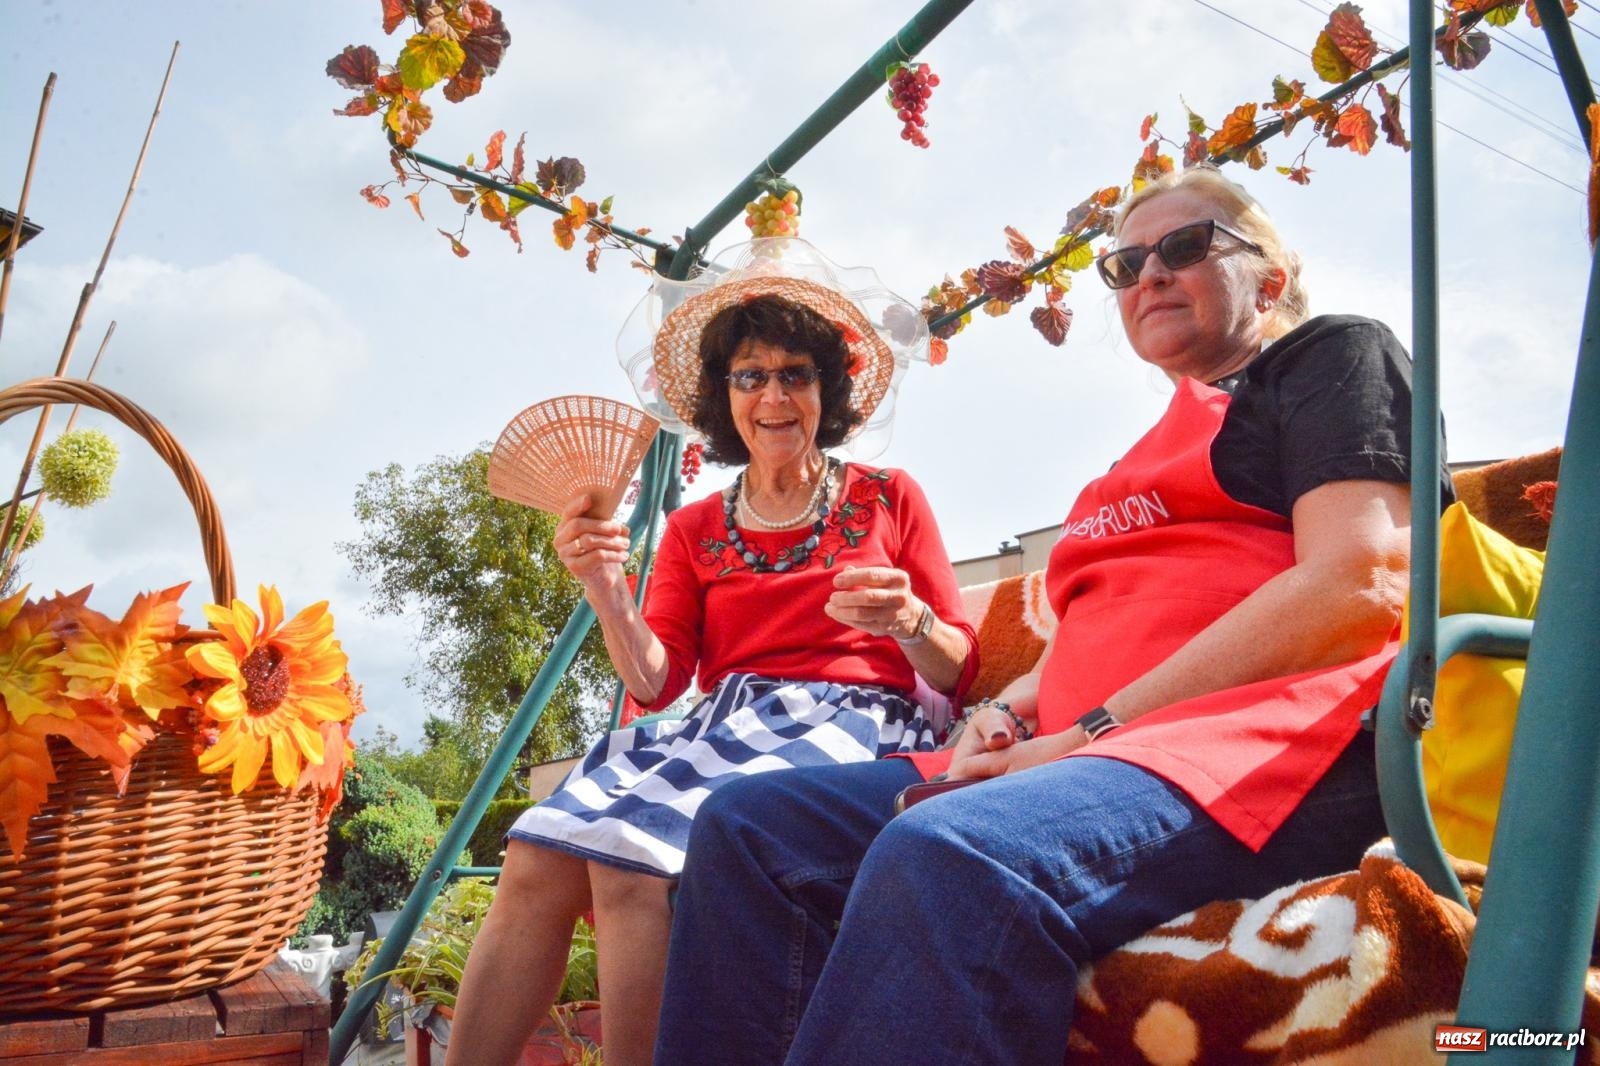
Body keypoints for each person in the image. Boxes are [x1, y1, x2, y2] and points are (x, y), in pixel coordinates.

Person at [653, 166, 1456, 1065]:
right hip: (1082, 750)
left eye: (1183, 247)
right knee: (744, 828)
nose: (1147, 274)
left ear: (1269, 280)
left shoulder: (1332, 357)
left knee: (946, 855)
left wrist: (1085, 733)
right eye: (1124, 264)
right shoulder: (1137, 459)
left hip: (1246, 747)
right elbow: (1100, 626)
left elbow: (1360, 583)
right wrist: (1009, 711)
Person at [446, 243, 979, 1066]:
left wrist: (908, 618)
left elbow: (959, 667)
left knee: (630, 865)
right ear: (724, 397)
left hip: (855, 725)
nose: (772, 395)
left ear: (825, 392)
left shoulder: (889, 496)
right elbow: (655, 684)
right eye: (749, 376)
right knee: (535, 853)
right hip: (725, 725)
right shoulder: (696, 528)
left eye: (795, 374)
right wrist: (602, 580)